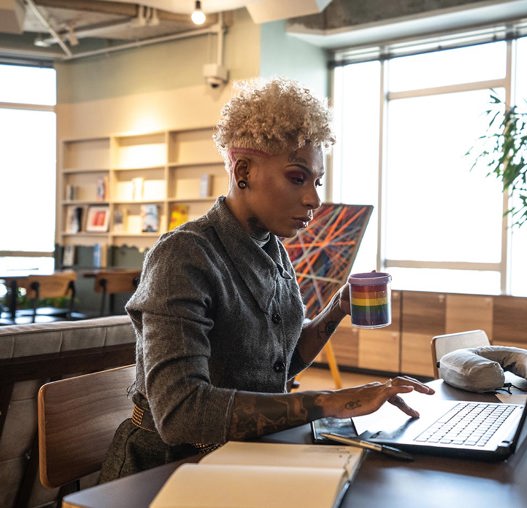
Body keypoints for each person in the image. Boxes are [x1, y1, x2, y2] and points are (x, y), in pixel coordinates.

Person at [99, 77, 434, 481]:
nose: (314, 199)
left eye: (317, 181)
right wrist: (328, 402)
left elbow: (275, 366)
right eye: (298, 178)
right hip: (166, 470)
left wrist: (336, 311)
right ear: (243, 171)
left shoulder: (272, 250)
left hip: (239, 456)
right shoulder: (184, 256)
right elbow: (181, 413)